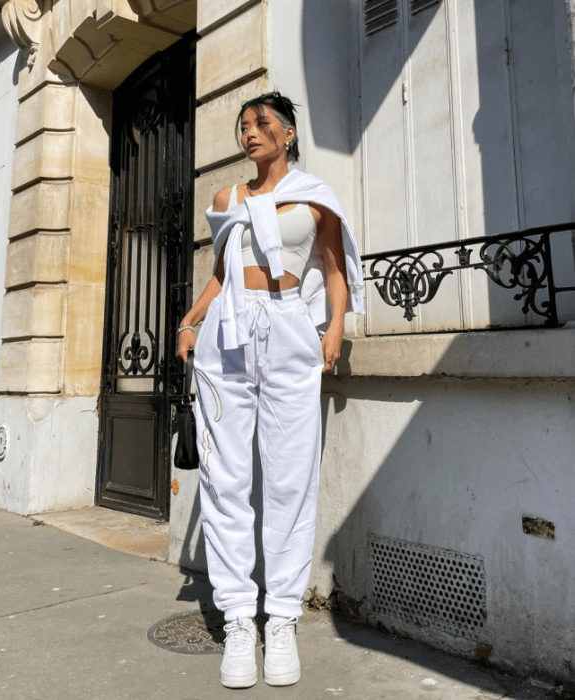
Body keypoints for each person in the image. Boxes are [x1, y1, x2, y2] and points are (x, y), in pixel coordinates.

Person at [176, 92, 364, 688]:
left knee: (289, 478)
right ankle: (238, 620)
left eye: (261, 124)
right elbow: (221, 276)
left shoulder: (312, 197)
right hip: (229, 333)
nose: (249, 132)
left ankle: (279, 619)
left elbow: (333, 268)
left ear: (287, 134)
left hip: (287, 330)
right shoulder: (226, 200)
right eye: (244, 125)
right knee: (225, 479)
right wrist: (189, 320)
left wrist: (334, 327)